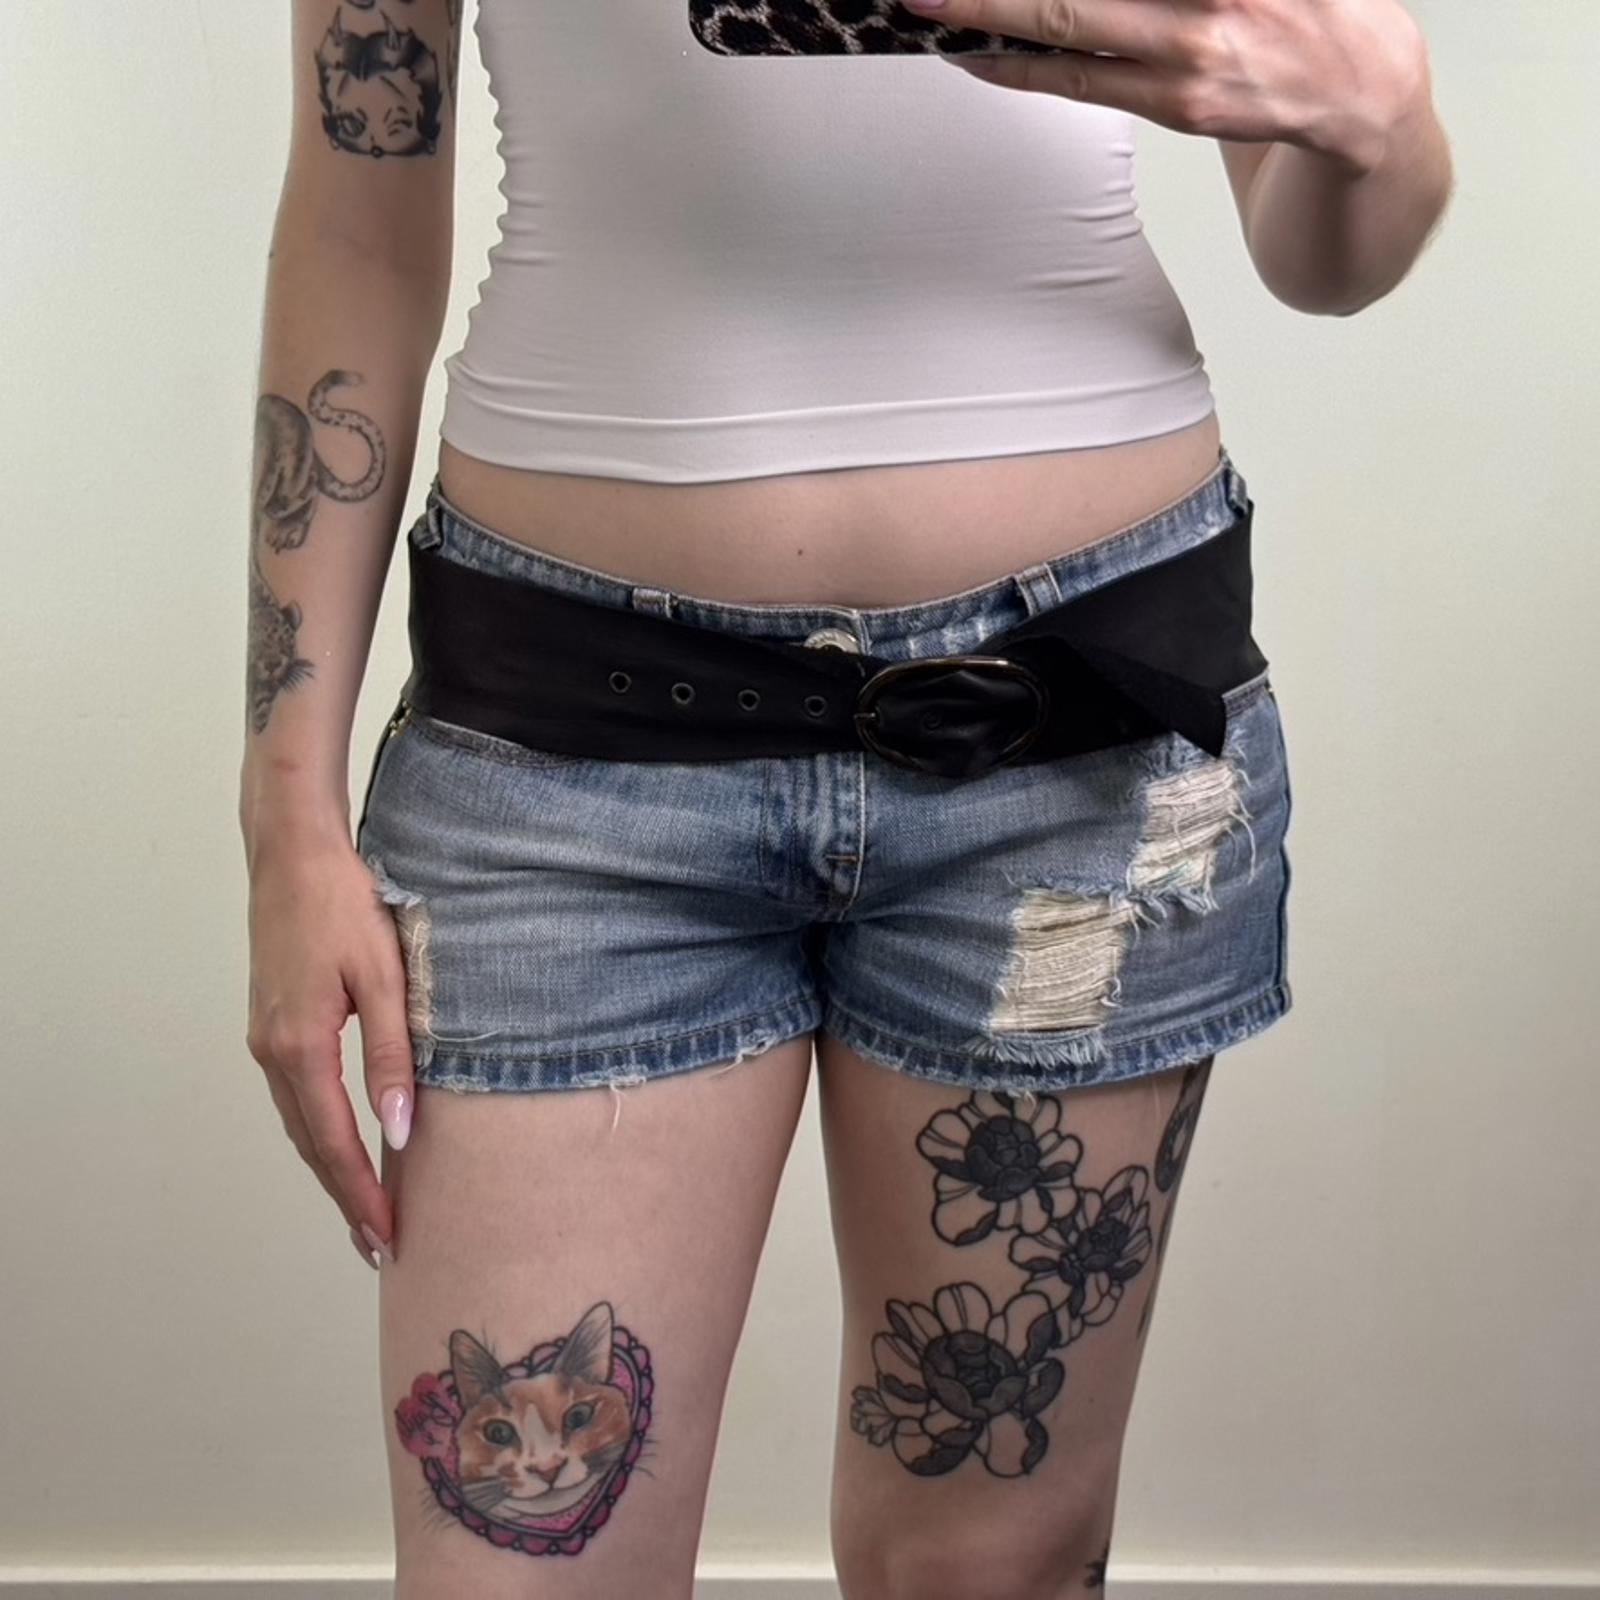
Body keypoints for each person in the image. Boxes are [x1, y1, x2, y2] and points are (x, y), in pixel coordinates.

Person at [240, 1, 1452, 1594]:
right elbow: (359, 218)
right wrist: (286, 812)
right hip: (564, 763)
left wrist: (1381, 121)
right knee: (520, 1564)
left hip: (1073, 754)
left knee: (988, 1567)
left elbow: (1327, 253)